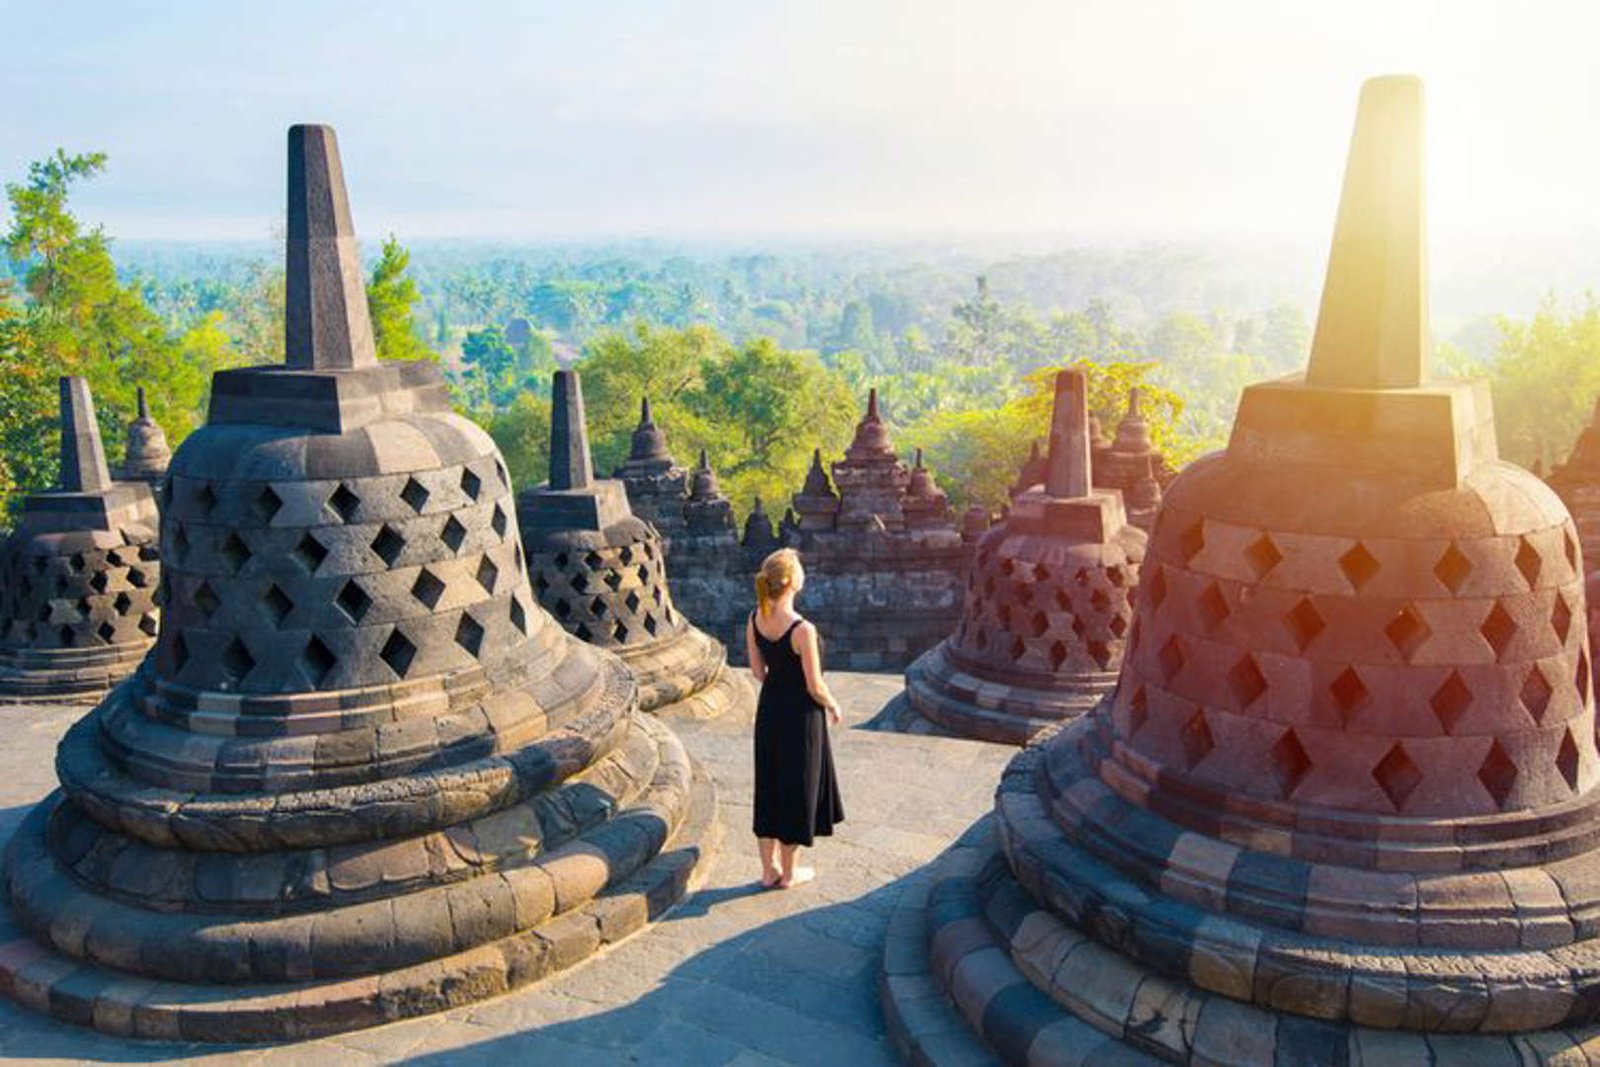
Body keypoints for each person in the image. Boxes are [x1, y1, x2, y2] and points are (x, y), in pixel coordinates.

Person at [747, 548, 845, 889]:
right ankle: (788, 874)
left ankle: (767, 870)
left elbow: (758, 672)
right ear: (791, 582)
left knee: (769, 785)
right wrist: (833, 705)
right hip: (801, 716)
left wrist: (780, 683)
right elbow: (815, 684)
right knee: (795, 787)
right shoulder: (802, 629)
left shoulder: (755, 618)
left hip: (770, 710)